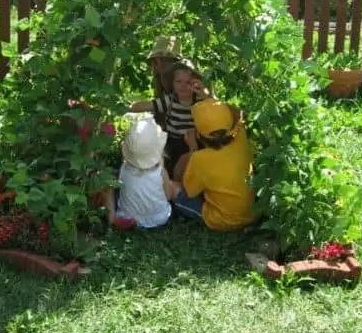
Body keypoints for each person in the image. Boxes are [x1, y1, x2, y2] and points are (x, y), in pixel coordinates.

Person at [172, 98, 255, 231]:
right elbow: (237, 114)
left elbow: (189, 193)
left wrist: (192, 149)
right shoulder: (241, 137)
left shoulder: (199, 159)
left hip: (224, 221)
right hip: (252, 214)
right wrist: (210, 98)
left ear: (198, 134)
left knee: (176, 191)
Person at [130, 60, 209, 177]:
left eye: (188, 82)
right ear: (173, 84)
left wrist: (205, 95)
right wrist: (130, 107)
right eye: (179, 81)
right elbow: (149, 105)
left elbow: (214, 107)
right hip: (172, 139)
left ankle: (185, 181)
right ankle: (164, 179)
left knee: (191, 162)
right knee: (163, 157)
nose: (183, 85)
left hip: (192, 141)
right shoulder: (170, 100)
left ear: (195, 84)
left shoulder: (199, 101)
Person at [101, 116, 180, 229]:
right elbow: (167, 196)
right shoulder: (161, 172)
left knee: (109, 186)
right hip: (159, 219)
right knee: (173, 186)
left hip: (128, 217)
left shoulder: (124, 169)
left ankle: (112, 220)